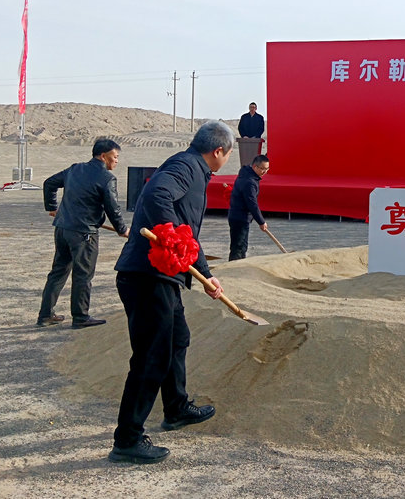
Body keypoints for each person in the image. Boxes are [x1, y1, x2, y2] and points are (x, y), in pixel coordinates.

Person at [108, 120, 234, 464]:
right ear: (218, 151)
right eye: (228, 154)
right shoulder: (186, 166)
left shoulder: (193, 168)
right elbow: (156, 196)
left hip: (162, 278)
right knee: (151, 357)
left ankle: (176, 407)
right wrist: (172, 239)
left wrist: (206, 275)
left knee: (178, 339)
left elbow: (187, 234)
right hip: (147, 278)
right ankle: (128, 439)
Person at [38, 138, 129, 328]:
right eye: (115, 156)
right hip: (84, 234)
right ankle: (80, 317)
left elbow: (49, 183)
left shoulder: (75, 169)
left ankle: (45, 315)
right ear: (103, 156)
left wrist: (52, 207)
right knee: (83, 275)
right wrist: (122, 229)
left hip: (62, 228)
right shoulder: (107, 178)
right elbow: (113, 208)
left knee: (58, 272)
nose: (117, 161)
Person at [228, 154, 270, 261]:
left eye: (267, 169)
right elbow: (252, 204)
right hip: (240, 217)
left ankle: (239, 264)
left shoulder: (247, 174)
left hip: (239, 216)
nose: (265, 172)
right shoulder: (249, 182)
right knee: (239, 247)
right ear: (255, 167)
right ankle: (234, 267)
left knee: (241, 246)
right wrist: (261, 221)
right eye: (262, 169)